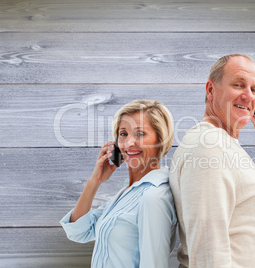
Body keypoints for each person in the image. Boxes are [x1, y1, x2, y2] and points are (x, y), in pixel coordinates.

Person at [169, 54, 255, 267]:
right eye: (238, 85)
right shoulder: (209, 146)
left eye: (254, 90)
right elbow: (209, 253)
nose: (249, 96)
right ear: (210, 90)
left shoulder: (225, 144)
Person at [60, 100, 177, 268]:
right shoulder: (128, 192)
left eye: (140, 134)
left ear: (160, 140)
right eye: (123, 134)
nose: (129, 143)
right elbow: (79, 232)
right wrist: (94, 182)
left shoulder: (154, 196)